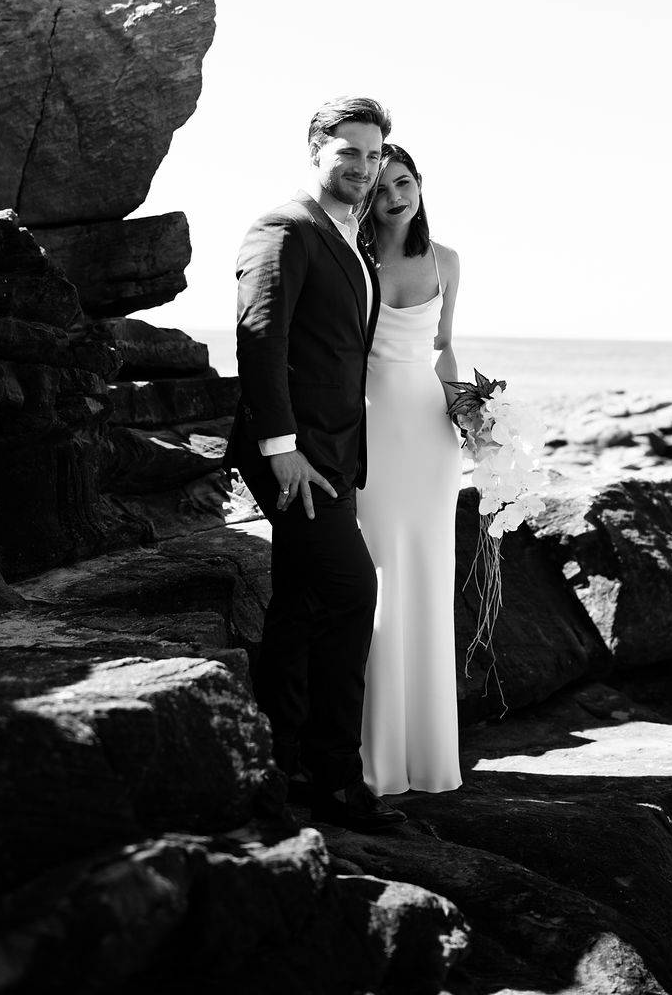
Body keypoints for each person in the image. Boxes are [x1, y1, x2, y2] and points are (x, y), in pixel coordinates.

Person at [227, 96, 406, 832]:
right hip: (299, 460)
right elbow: (259, 339)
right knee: (351, 594)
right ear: (315, 148)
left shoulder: (350, 238)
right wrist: (282, 451)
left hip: (333, 450)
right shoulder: (284, 228)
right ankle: (335, 778)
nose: (363, 169)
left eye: (374, 155)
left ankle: (275, 763)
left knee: (300, 612)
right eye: (349, 153)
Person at [357, 143, 464, 794]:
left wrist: (471, 416)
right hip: (370, 427)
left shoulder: (447, 260)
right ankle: (380, 763)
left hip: (431, 435)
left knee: (426, 581)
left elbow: (446, 348)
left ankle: (430, 760)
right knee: (377, 583)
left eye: (404, 182)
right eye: (381, 187)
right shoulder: (355, 260)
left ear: (420, 184)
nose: (395, 196)